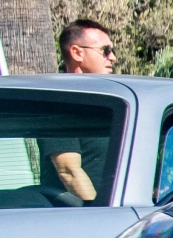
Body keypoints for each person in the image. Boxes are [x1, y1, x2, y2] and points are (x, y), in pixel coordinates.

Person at [44, 20, 119, 203]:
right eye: (105, 51)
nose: (113, 58)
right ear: (77, 53)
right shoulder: (60, 103)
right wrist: (100, 213)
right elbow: (68, 171)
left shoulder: (112, 104)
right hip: (80, 219)